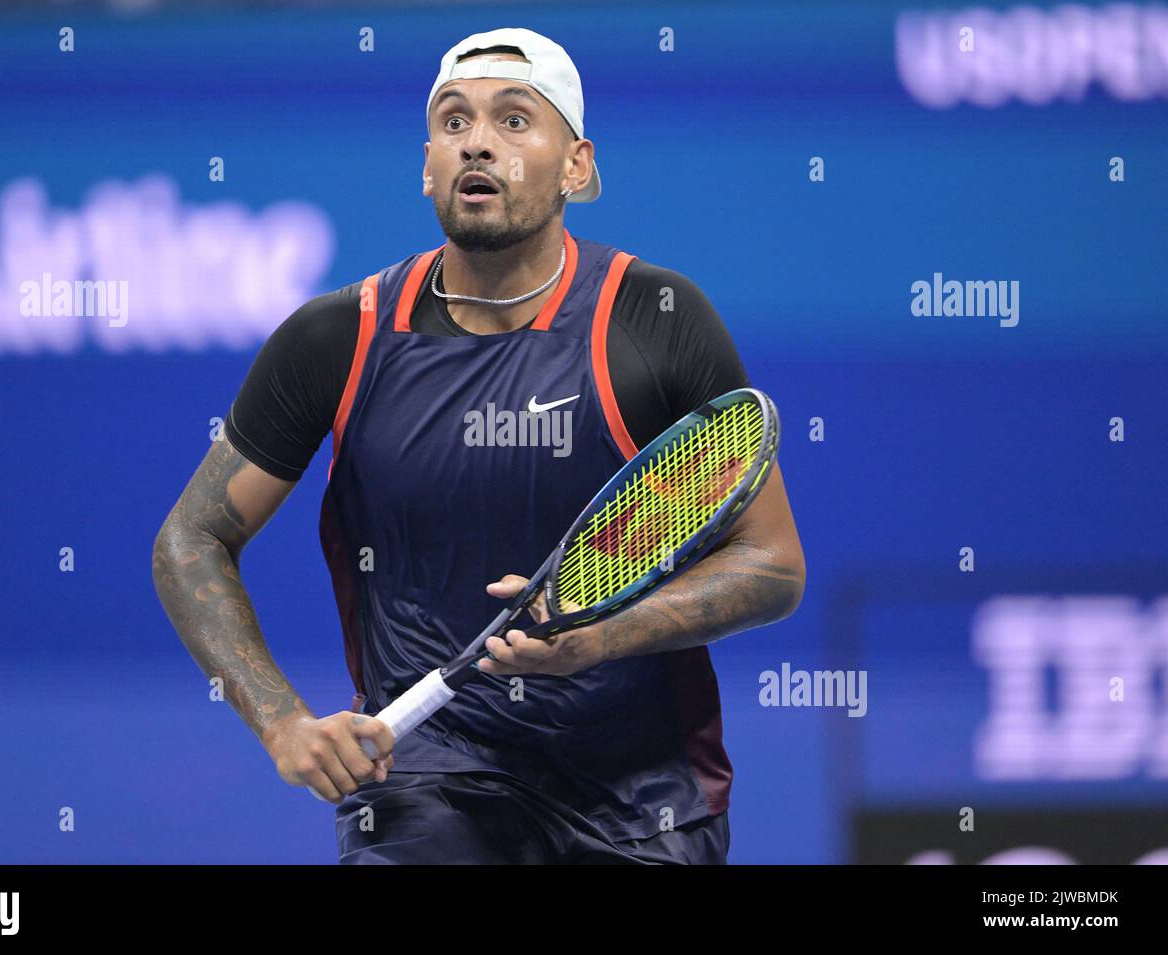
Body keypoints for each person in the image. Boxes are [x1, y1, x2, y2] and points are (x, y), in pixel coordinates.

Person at [152, 27, 805, 864]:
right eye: (453, 122)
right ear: (428, 165)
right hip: (426, 779)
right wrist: (282, 721)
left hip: (644, 797)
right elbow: (191, 539)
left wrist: (601, 638)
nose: (480, 143)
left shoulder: (656, 321)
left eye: (515, 121)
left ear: (576, 165)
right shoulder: (337, 340)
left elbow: (775, 565)